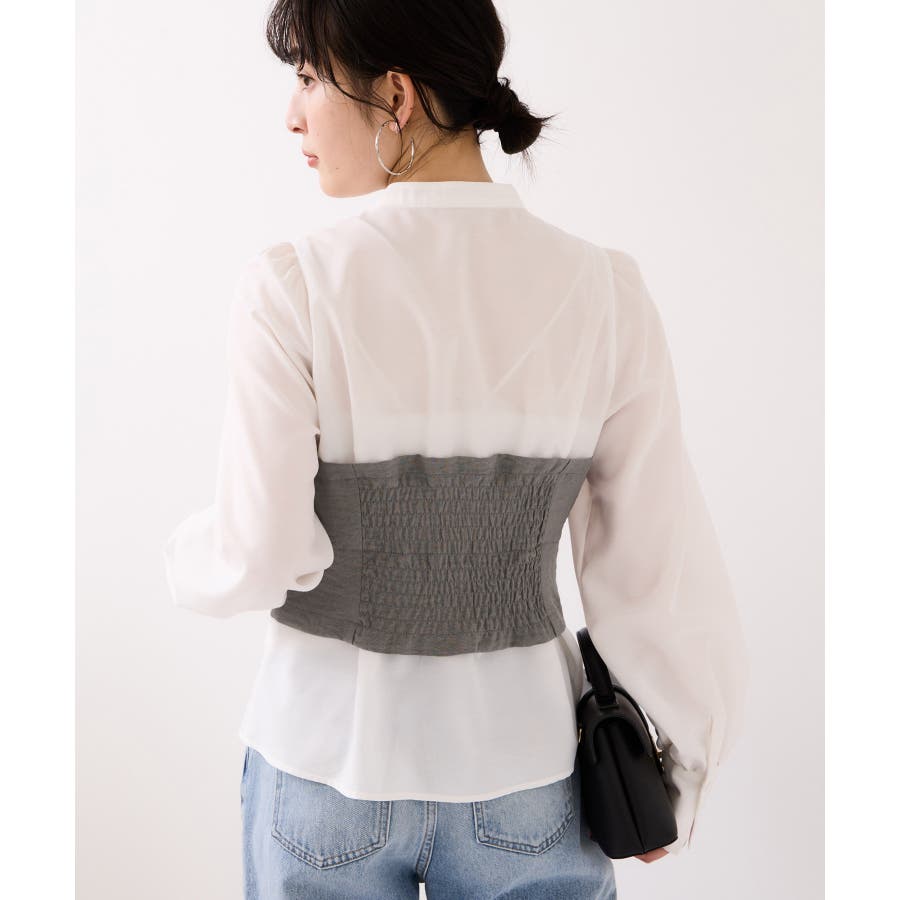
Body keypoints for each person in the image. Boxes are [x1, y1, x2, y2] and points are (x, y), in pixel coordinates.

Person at [163, 1, 751, 897]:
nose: (292, 114)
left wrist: (183, 559)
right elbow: (652, 565)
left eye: (310, 78)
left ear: (396, 95)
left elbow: (259, 551)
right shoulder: (605, 291)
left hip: (324, 758)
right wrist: (684, 767)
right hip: (529, 770)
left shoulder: (291, 285)